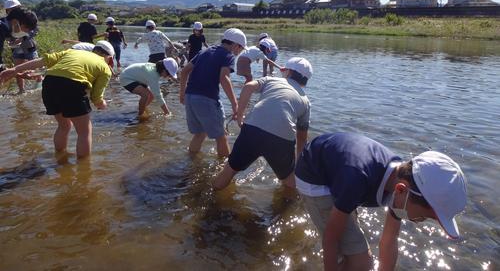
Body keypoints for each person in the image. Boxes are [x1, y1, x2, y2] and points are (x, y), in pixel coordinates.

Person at [294, 132, 467, 271]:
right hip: (313, 177)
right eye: (421, 217)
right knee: (362, 262)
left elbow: (390, 239)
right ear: (402, 190)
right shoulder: (357, 179)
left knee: (350, 238)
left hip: (340, 170)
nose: (419, 222)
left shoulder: (401, 182)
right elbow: (330, 239)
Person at [0, 41, 115, 159]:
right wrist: (102, 105)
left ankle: (60, 156)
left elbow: (42, 61)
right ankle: (83, 170)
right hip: (72, 86)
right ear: (110, 58)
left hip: (49, 84)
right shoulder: (105, 68)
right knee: (84, 132)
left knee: (64, 125)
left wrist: (14, 69)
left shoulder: (72, 52)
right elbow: (96, 99)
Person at [212, 57, 312, 190]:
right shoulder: (305, 101)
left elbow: (248, 86)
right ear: (305, 81)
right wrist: (299, 162)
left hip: (253, 130)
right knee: (289, 181)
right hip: (281, 139)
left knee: (230, 170)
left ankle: (210, 197)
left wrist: (240, 115)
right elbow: (302, 137)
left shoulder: (272, 79)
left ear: (287, 72)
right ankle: (287, 207)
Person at [179, 28, 247, 157]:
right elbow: (224, 78)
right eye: (241, 49)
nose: (239, 52)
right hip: (206, 99)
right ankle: (226, 172)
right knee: (221, 137)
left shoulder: (204, 51)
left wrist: (182, 94)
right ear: (235, 45)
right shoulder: (228, 55)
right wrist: (235, 104)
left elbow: (184, 71)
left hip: (190, 97)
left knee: (199, 134)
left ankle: (191, 162)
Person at [0, 2, 38, 72]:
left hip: (28, 47)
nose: (23, 33)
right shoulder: (2, 28)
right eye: (24, 30)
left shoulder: (4, 26)